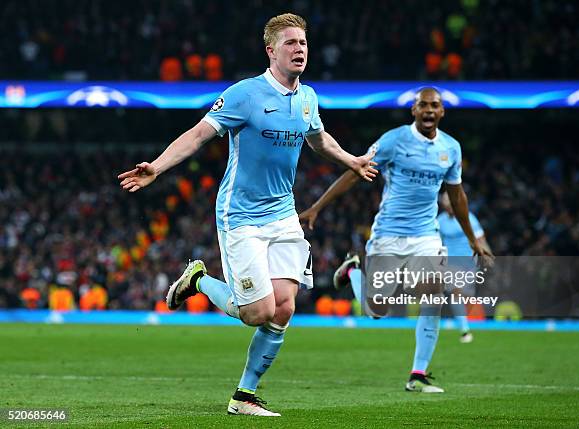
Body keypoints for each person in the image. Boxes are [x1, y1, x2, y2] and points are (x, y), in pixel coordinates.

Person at [118, 13, 377, 416]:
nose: (299, 49)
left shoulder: (307, 98)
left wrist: (352, 161)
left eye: (303, 43)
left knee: (285, 307)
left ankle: (243, 396)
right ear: (271, 50)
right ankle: (199, 280)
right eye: (290, 43)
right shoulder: (245, 94)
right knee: (258, 312)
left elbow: (318, 138)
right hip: (240, 215)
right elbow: (199, 134)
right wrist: (157, 166)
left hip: (282, 213)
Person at [299, 87, 494, 393]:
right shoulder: (393, 140)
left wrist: (472, 240)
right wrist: (317, 207)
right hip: (387, 234)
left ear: (442, 112)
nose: (429, 110)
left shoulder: (451, 148)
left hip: (426, 236)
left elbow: (457, 196)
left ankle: (418, 374)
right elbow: (356, 170)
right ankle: (352, 270)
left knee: (433, 296)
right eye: (423, 105)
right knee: (376, 311)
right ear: (413, 111)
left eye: (435, 106)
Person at [438, 191, 492, 343]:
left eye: (450, 202)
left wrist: (487, 253)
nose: (447, 205)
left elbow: (480, 238)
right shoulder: (440, 221)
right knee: (456, 290)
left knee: (465, 296)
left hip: (469, 262)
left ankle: (465, 324)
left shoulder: (468, 217)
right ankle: (464, 330)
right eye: (445, 202)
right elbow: (437, 241)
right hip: (451, 263)